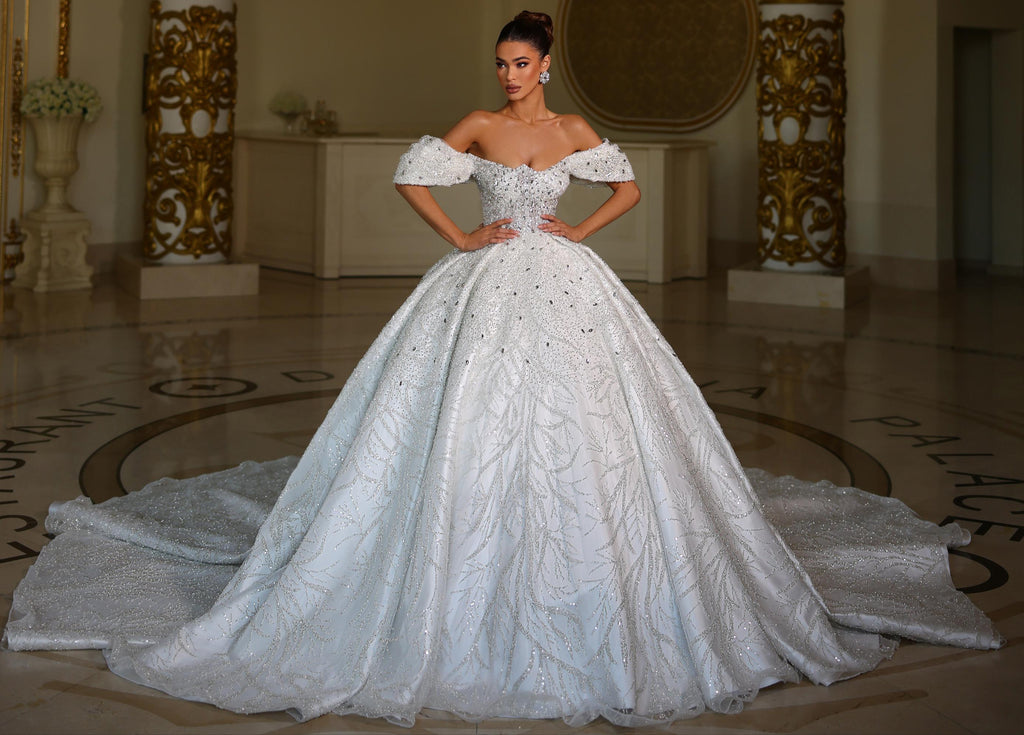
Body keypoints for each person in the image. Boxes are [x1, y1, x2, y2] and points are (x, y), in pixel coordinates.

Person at [2, 10, 1002, 729]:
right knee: (465, 416)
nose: (509, 74)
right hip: (485, 278)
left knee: (593, 424)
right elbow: (413, 175)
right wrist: (462, 236)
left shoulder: (571, 134)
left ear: (546, 64)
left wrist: (576, 229)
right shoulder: (479, 125)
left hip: (564, 274)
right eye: (501, 63)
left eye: (521, 62)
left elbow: (627, 188)